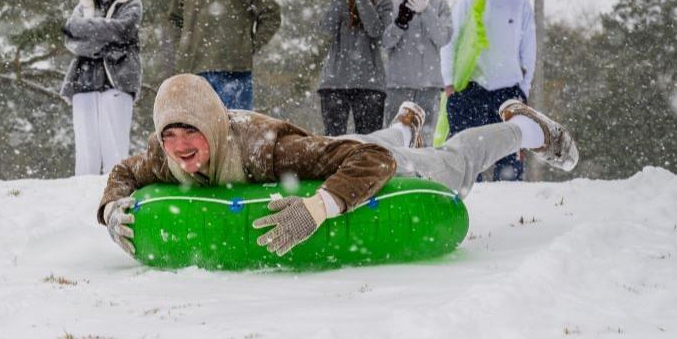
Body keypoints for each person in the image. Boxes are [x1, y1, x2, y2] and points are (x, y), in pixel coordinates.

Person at [100, 74, 578, 259]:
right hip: (344, 149)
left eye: (191, 132)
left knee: (450, 162)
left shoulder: (267, 149)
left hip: (368, 164)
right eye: (170, 135)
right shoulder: (165, 157)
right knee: (365, 139)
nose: (181, 146)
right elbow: (124, 172)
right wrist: (109, 211)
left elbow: (375, 160)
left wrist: (320, 207)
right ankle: (404, 123)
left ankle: (528, 128)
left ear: (212, 125)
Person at [439, 0, 536, 181]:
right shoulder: (467, 4)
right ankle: (467, 200)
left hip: (508, 91)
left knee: (509, 152)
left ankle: (509, 202)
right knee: (466, 153)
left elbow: (528, 50)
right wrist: (449, 83)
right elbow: (449, 44)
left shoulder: (520, 6)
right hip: (470, 89)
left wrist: (524, 87)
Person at [60, 0, 142, 175]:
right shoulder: (83, 6)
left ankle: (115, 194)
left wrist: (89, 31)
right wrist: (103, 37)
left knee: (115, 147)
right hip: (84, 79)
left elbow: (122, 30)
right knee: (86, 148)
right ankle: (82, 198)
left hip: (118, 79)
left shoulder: (131, 3)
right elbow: (70, 34)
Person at [317, 0, 393, 136]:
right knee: (334, 143)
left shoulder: (384, 3)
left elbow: (376, 30)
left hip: (370, 83)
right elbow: (326, 28)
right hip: (334, 82)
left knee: (368, 144)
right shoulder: (339, 0)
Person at [382, 0, 453, 147]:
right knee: (395, 137)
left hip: (428, 86)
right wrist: (400, 22)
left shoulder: (439, 6)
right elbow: (385, 42)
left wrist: (426, 10)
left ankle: (422, 175)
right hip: (398, 85)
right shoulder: (392, 5)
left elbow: (443, 38)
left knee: (425, 139)